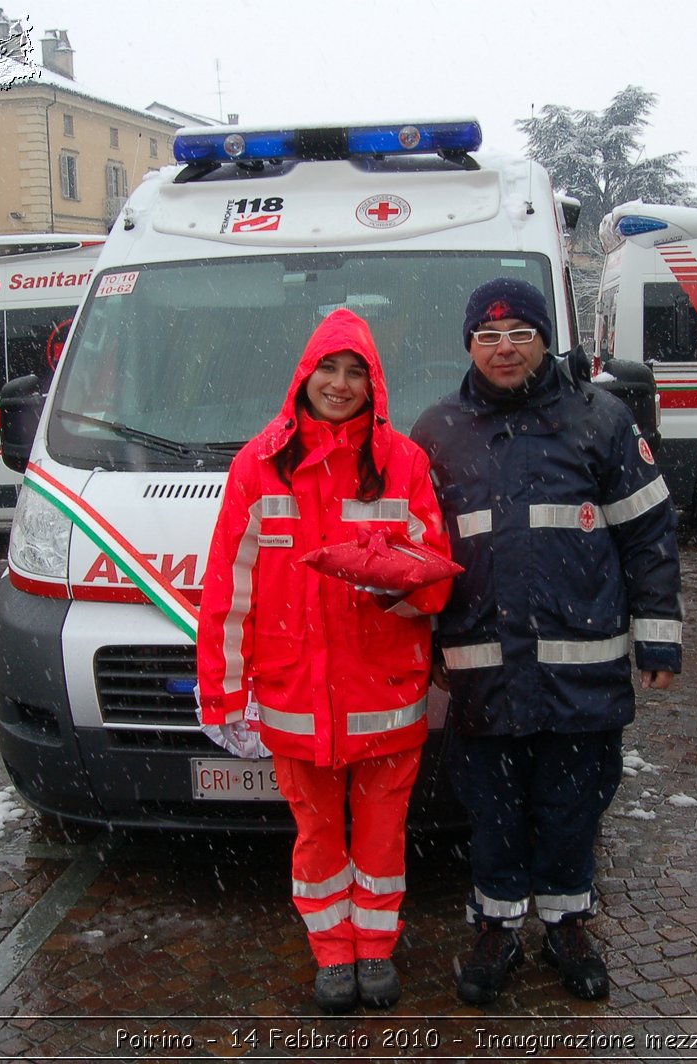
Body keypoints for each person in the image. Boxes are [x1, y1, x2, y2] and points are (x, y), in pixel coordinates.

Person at [410, 278, 683, 1005]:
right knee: (492, 811)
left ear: (544, 340)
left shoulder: (601, 420)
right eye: (488, 336)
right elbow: (412, 551)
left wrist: (658, 638)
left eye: (520, 334)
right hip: (482, 672)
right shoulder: (436, 431)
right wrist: (424, 643)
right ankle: (496, 931)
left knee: (572, 807)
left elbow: (649, 533)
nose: (505, 349)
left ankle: (567, 926)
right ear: (468, 344)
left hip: (581, 673)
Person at [196, 307, 452, 1013]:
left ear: (375, 386)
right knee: (315, 837)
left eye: (356, 373)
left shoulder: (404, 463)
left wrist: (393, 590)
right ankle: (331, 954)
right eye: (328, 370)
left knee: (379, 835)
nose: (340, 386)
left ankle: (376, 951)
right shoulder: (259, 464)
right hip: (293, 695)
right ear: (303, 376)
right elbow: (229, 592)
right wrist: (222, 695)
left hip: (385, 695)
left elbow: (436, 577)